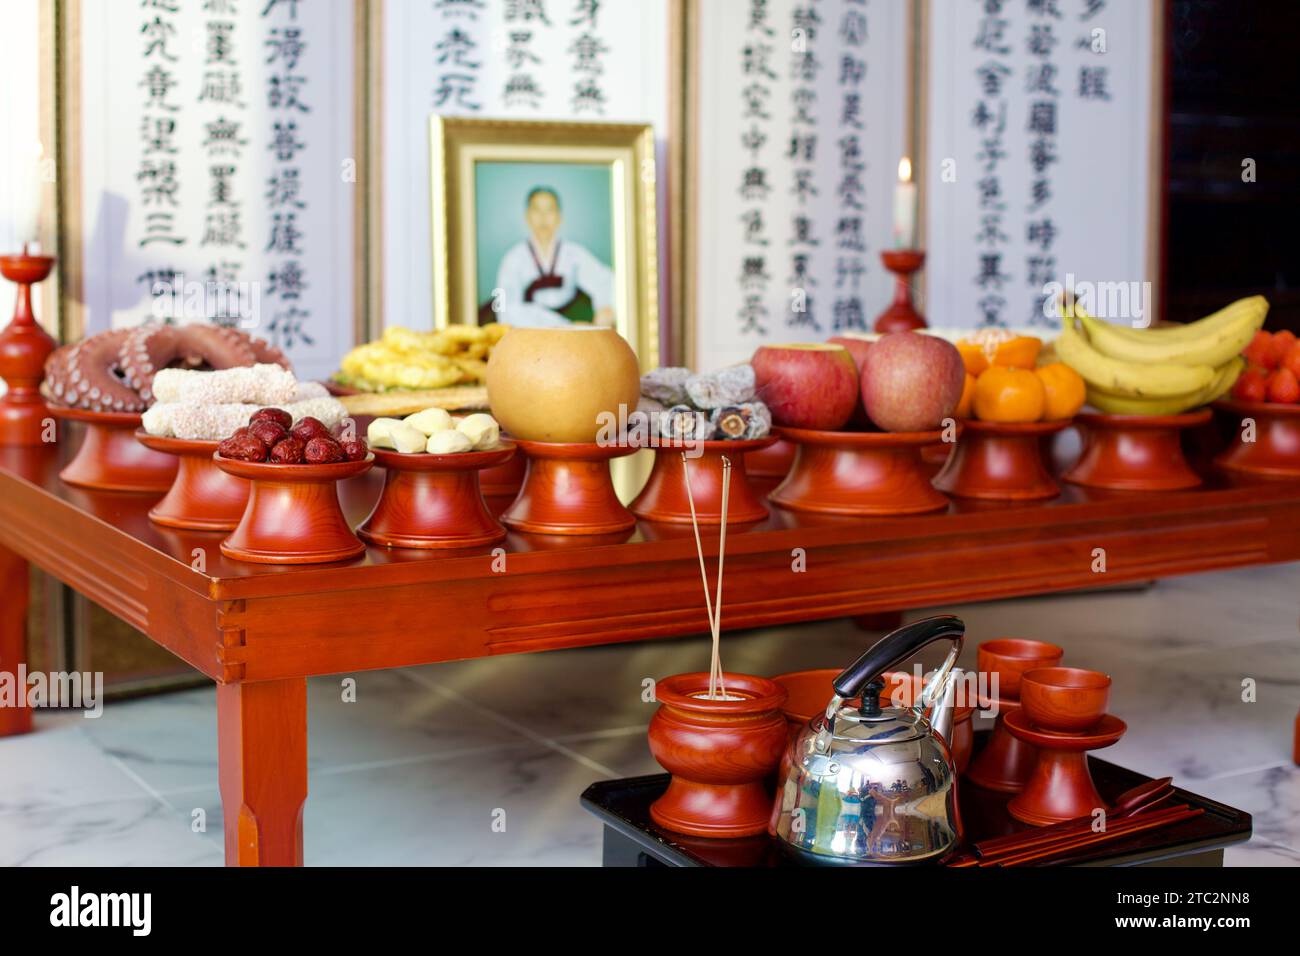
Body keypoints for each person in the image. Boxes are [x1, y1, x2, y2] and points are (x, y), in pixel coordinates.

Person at [489, 186, 616, 328]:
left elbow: (604, 281)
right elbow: (505, 309)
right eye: (537, 210)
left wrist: (605, 307)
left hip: (571, 321)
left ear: (559, 217)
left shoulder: (573, 254)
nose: (543, 217)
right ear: (527, 216)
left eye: (550, 210)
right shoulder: (513, 259)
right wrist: (560, 325)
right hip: (530, 328)